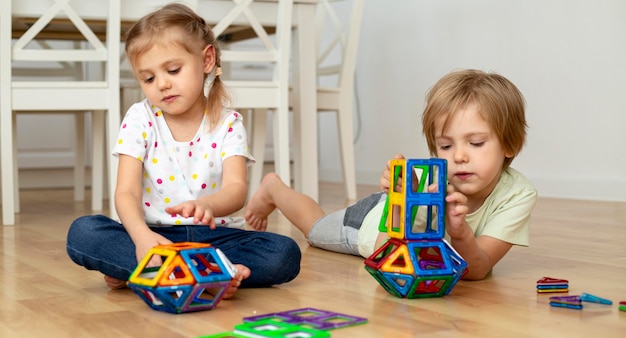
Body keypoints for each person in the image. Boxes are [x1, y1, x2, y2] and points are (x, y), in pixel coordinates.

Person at [66, 3, 301, 298]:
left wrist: (209, 205)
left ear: (206, 60)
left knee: (284, 253)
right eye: (148, 79)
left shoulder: (229, 124)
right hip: (155, 234)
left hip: (214, 237)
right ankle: (210, 273)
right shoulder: (140, 118)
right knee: (83, 232)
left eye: (173, 70)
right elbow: (126, 193)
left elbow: (236, 189)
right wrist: (141, 238)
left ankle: (156, 273)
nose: (162, 84)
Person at [245, 69, 537, 280]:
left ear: (509, 144)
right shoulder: (435, 180)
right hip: (369, 228)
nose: (459, 156)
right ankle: (274, 188)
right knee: (314, 229)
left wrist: (459, 233)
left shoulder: (518, 195)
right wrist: (397, 192)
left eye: (475, 143)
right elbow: (389, 242)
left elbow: (478, 269)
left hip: (396, 227)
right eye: (445, 146)